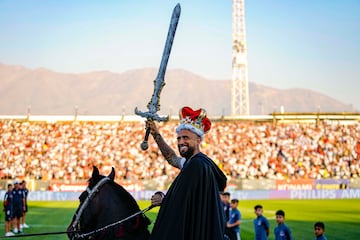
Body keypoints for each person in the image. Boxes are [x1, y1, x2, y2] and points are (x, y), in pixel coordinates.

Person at [147, 106, 227, 240]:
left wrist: (164, 199)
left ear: (198, 140)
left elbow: (181, 202)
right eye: (178, 139)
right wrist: (155, 134)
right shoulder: (196, 163)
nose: (181, 142)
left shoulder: (197, 165)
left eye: (186, 138)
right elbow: (172, 158)